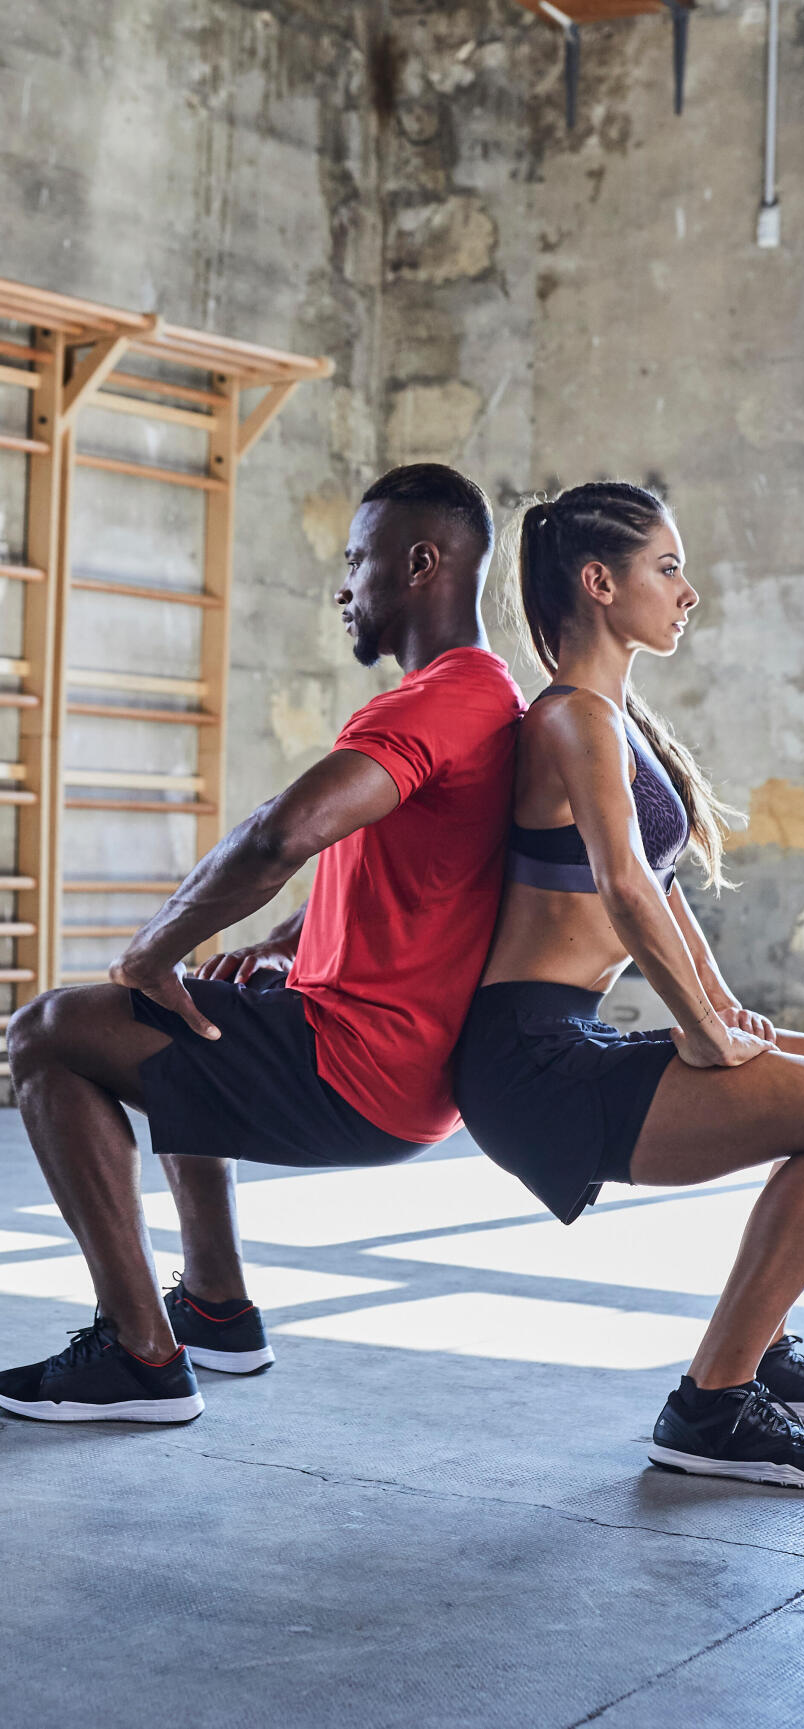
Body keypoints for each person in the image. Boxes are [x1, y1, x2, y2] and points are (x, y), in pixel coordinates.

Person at [0, 463, 524, 1424]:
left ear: (419, 564)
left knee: (46, 1030)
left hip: (362, 1068)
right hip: (396, 1063)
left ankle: (140, 1357)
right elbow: (422, 873)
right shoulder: (483, 697)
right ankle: (216, 1309)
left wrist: (151, 949)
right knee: (186, 1013)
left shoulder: (445, 697)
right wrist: (292, 939)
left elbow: (282, 833)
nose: (345, 585)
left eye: (357, 559)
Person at [456, 480, 804, 1490]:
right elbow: (621, 886)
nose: (688, 591)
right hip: (531, 1062)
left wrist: (729, 1008)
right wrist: (700, 1031)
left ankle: (762, 1352)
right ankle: (710, 1406)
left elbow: (661, 895)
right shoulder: (570, 718)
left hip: (565, 1038)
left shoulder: (610, 716)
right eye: (668, 567)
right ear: (600, 582)